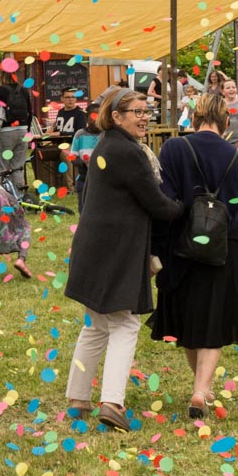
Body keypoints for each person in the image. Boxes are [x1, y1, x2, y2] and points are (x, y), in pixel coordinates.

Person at [63, 89, 184, 432]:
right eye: (136, 112)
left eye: (147, 111)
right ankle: (112, 403)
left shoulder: (106, 143)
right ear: (116, 116)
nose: (144, 117)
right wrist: (185, 208)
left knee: (97, 324)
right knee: (125, 323)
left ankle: (78, 398)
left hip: (95, 247)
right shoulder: (126, 151)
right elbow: (157, 203)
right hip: (114, 251)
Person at [149, 93, 238, 419]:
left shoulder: (173, 149)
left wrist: (157, 249)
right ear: (227, 123)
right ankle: (201, 390)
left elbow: (162, 202)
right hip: (227, 248)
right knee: (214, 320)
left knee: (187, 319)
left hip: (180, 246)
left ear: (193, 119)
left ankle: (201, 385)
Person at [0, 73, 35, 192]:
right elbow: (30, 112)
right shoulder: (24, 91)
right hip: (23, 131)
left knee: (1, 166)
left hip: (6, 132)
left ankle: (3, 195)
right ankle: (19, 194)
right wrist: (27, 129)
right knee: (18, 166)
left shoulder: (0, 91)